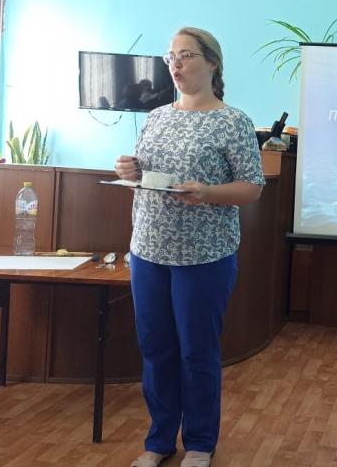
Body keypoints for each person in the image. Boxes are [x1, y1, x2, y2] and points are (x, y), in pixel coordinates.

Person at [115, 27, 265, 467]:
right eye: (171, 57)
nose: (176, 64)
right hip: (148, 251)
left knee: (196, 351)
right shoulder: (157, 117)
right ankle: (159, 441)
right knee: (155, 348)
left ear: (211, 63)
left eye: (185, 55)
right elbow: (145, 176)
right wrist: (129, 170)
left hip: (204, 256)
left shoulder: (232, 121)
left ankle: (199, 442)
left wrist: (208, 193)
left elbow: (252, 187)